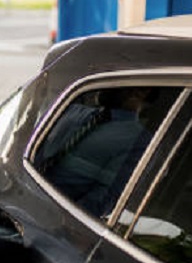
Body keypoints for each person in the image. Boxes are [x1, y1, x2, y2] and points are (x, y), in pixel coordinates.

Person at [38, 87, 154, 218]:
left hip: (50, 215)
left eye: (115, 82)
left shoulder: (140, 141)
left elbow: (104, 198)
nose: (106, 88)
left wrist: (55, 218)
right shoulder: (70, 110)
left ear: (141, 92)